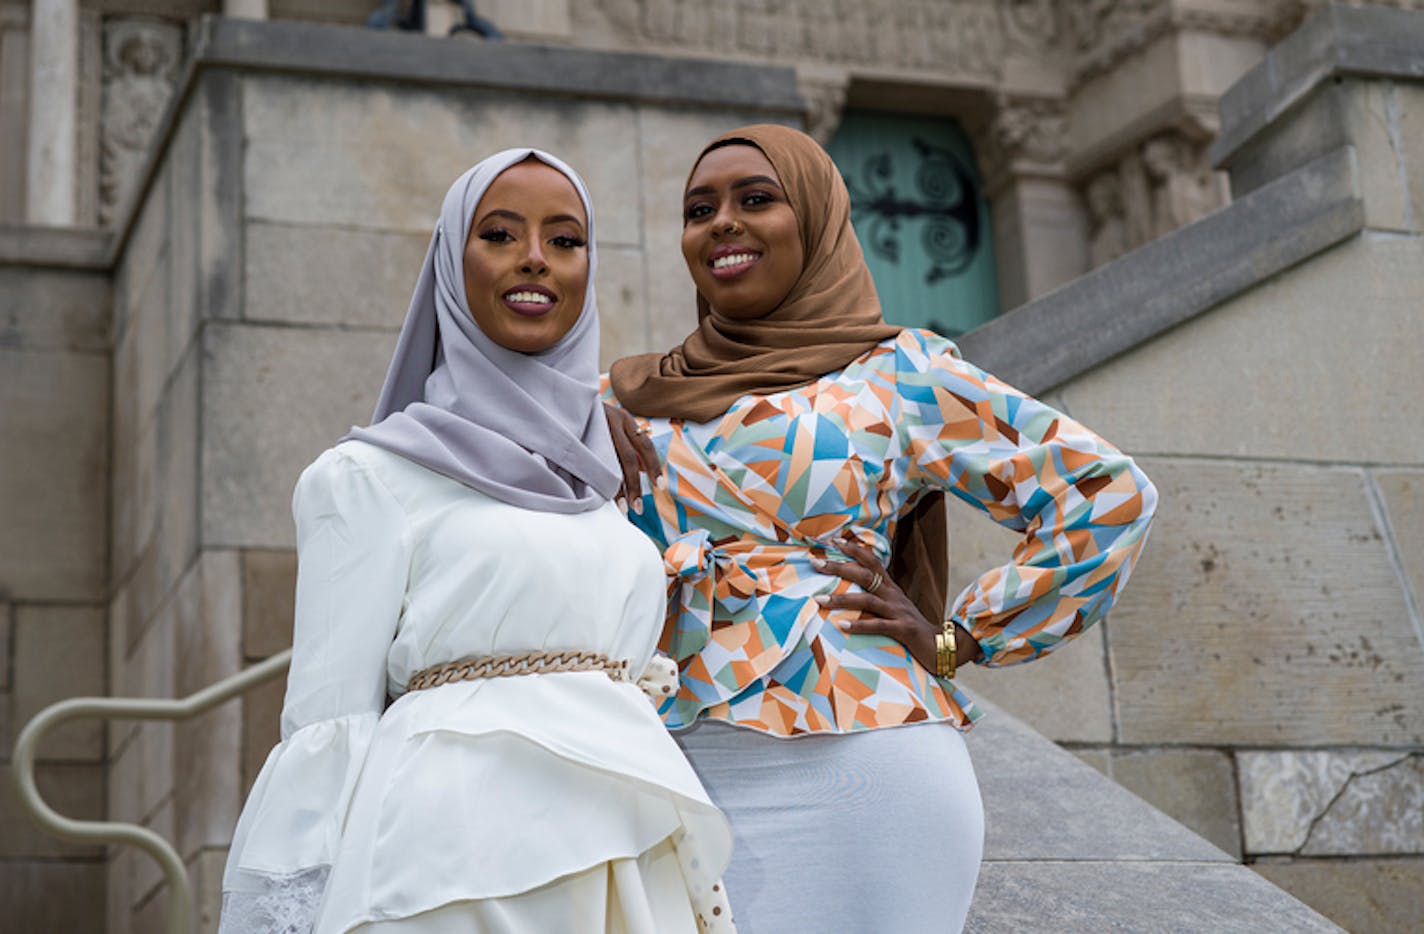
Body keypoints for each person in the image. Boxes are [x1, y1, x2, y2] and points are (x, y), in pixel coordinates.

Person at [602, 124, 1158, 933]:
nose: (721, 222)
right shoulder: (627, 397)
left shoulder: (901, 374)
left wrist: (960, 638)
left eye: (757, 199)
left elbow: (1108, 496)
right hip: (669, 764)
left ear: (820, 223)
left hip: (867, 763)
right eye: (700, 209)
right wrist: (560, 427)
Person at [219, 149, 734, 933]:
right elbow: (327, 720)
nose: (536, 257)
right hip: (448, 868)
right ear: (450, 265)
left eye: (565, 240)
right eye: (499, 233)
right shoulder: (365, 477)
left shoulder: (601, 477)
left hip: (623, 850)